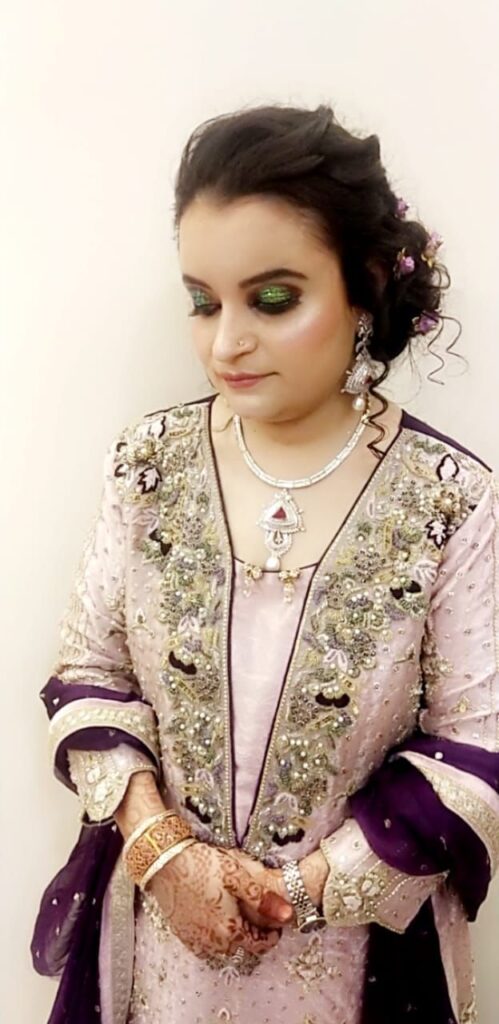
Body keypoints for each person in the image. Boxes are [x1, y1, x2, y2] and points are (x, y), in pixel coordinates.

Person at [32, 102, 499, 1024]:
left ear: (365, 286)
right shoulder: (150, 464)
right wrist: (164, 851)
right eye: (203, 301)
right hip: (156, 943)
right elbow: (89, 673)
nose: (226, 342)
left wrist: (295, 892)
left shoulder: (449, 498)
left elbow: (475, 744)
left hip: (354, 963)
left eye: (272, 299)